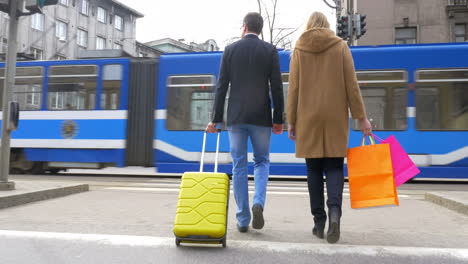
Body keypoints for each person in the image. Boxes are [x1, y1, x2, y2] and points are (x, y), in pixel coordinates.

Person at [286, 12, 372, 244]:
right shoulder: (340, 46)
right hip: (335, 116)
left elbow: (293, 88)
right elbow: (351, 85)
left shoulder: (299, 50)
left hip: (308, 117)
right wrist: (361, 118)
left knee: (313, 170)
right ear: (326, 25)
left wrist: (291, 120)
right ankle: (335, 214)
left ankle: (319, 222)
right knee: (334, 167)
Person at [206, 12, 284, 233]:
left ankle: (242, 219)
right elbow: (277, 86)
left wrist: (215, 120)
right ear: (259, 29)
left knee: (239, 166)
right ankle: (258, 202)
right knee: (261, 162)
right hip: (261, 117)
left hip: (237, 117)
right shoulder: (270, 51)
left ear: (244, 27)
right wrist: (278, 119)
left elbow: (221, 87)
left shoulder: (230, 50)